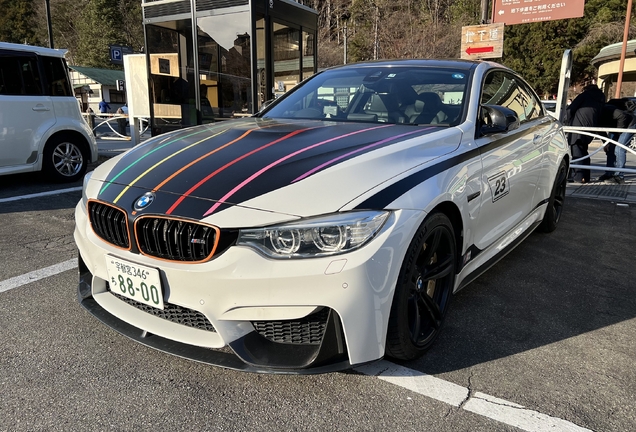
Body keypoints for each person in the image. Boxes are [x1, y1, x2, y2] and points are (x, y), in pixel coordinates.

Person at [565, 85, 606, 183]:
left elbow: (570, 109)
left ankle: (579, 177)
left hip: (577, 127)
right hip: (590, 129)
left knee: (577, 152)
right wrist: (605, 139)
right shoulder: (600, 99)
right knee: (584, 152)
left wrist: (565, 122)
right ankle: (586, 176)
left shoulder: (584, 96)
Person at [597, 102, 632, 182]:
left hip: (628, 124)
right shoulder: (595, 116)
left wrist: (619, 132)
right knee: (610, 148)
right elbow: (600, 130)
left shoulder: (606, 109)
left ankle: (619, 176)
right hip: (616, 126)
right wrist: (606, 142)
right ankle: (609, 173)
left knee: (619, 149)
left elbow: (622, 116)